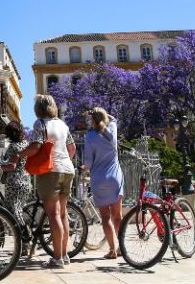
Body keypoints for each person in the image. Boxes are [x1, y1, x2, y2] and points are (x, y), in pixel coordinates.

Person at [19, 95, 75, 268]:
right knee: (63, 214)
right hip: (68, 170)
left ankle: (57, 258)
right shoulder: (63, 125)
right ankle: (64, 255)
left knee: (53, 214)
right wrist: (63, 160)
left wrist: (19, 154)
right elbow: (72, 148)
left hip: (50, 172)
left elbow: (36, 147)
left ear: (38, 108)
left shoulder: (40, 124)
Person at [82, 107, 122, 260]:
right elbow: (113, 119)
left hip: (98, 179)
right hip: (114, 177)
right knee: (117, 216)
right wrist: (99, 114)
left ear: (92, 120)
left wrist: (83, 168)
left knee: (105, 217)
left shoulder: (90, 136)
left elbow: (88, 162)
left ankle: (112, 249)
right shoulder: (112, 129)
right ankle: (121, 248)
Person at [0, 120, 32, 240]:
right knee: (15, 210)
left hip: (15, 183)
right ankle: (22, 239)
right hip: (25, 180)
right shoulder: (25, 144)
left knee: (14, 212)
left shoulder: (13, 147)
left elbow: (11, 166)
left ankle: (24, 238)